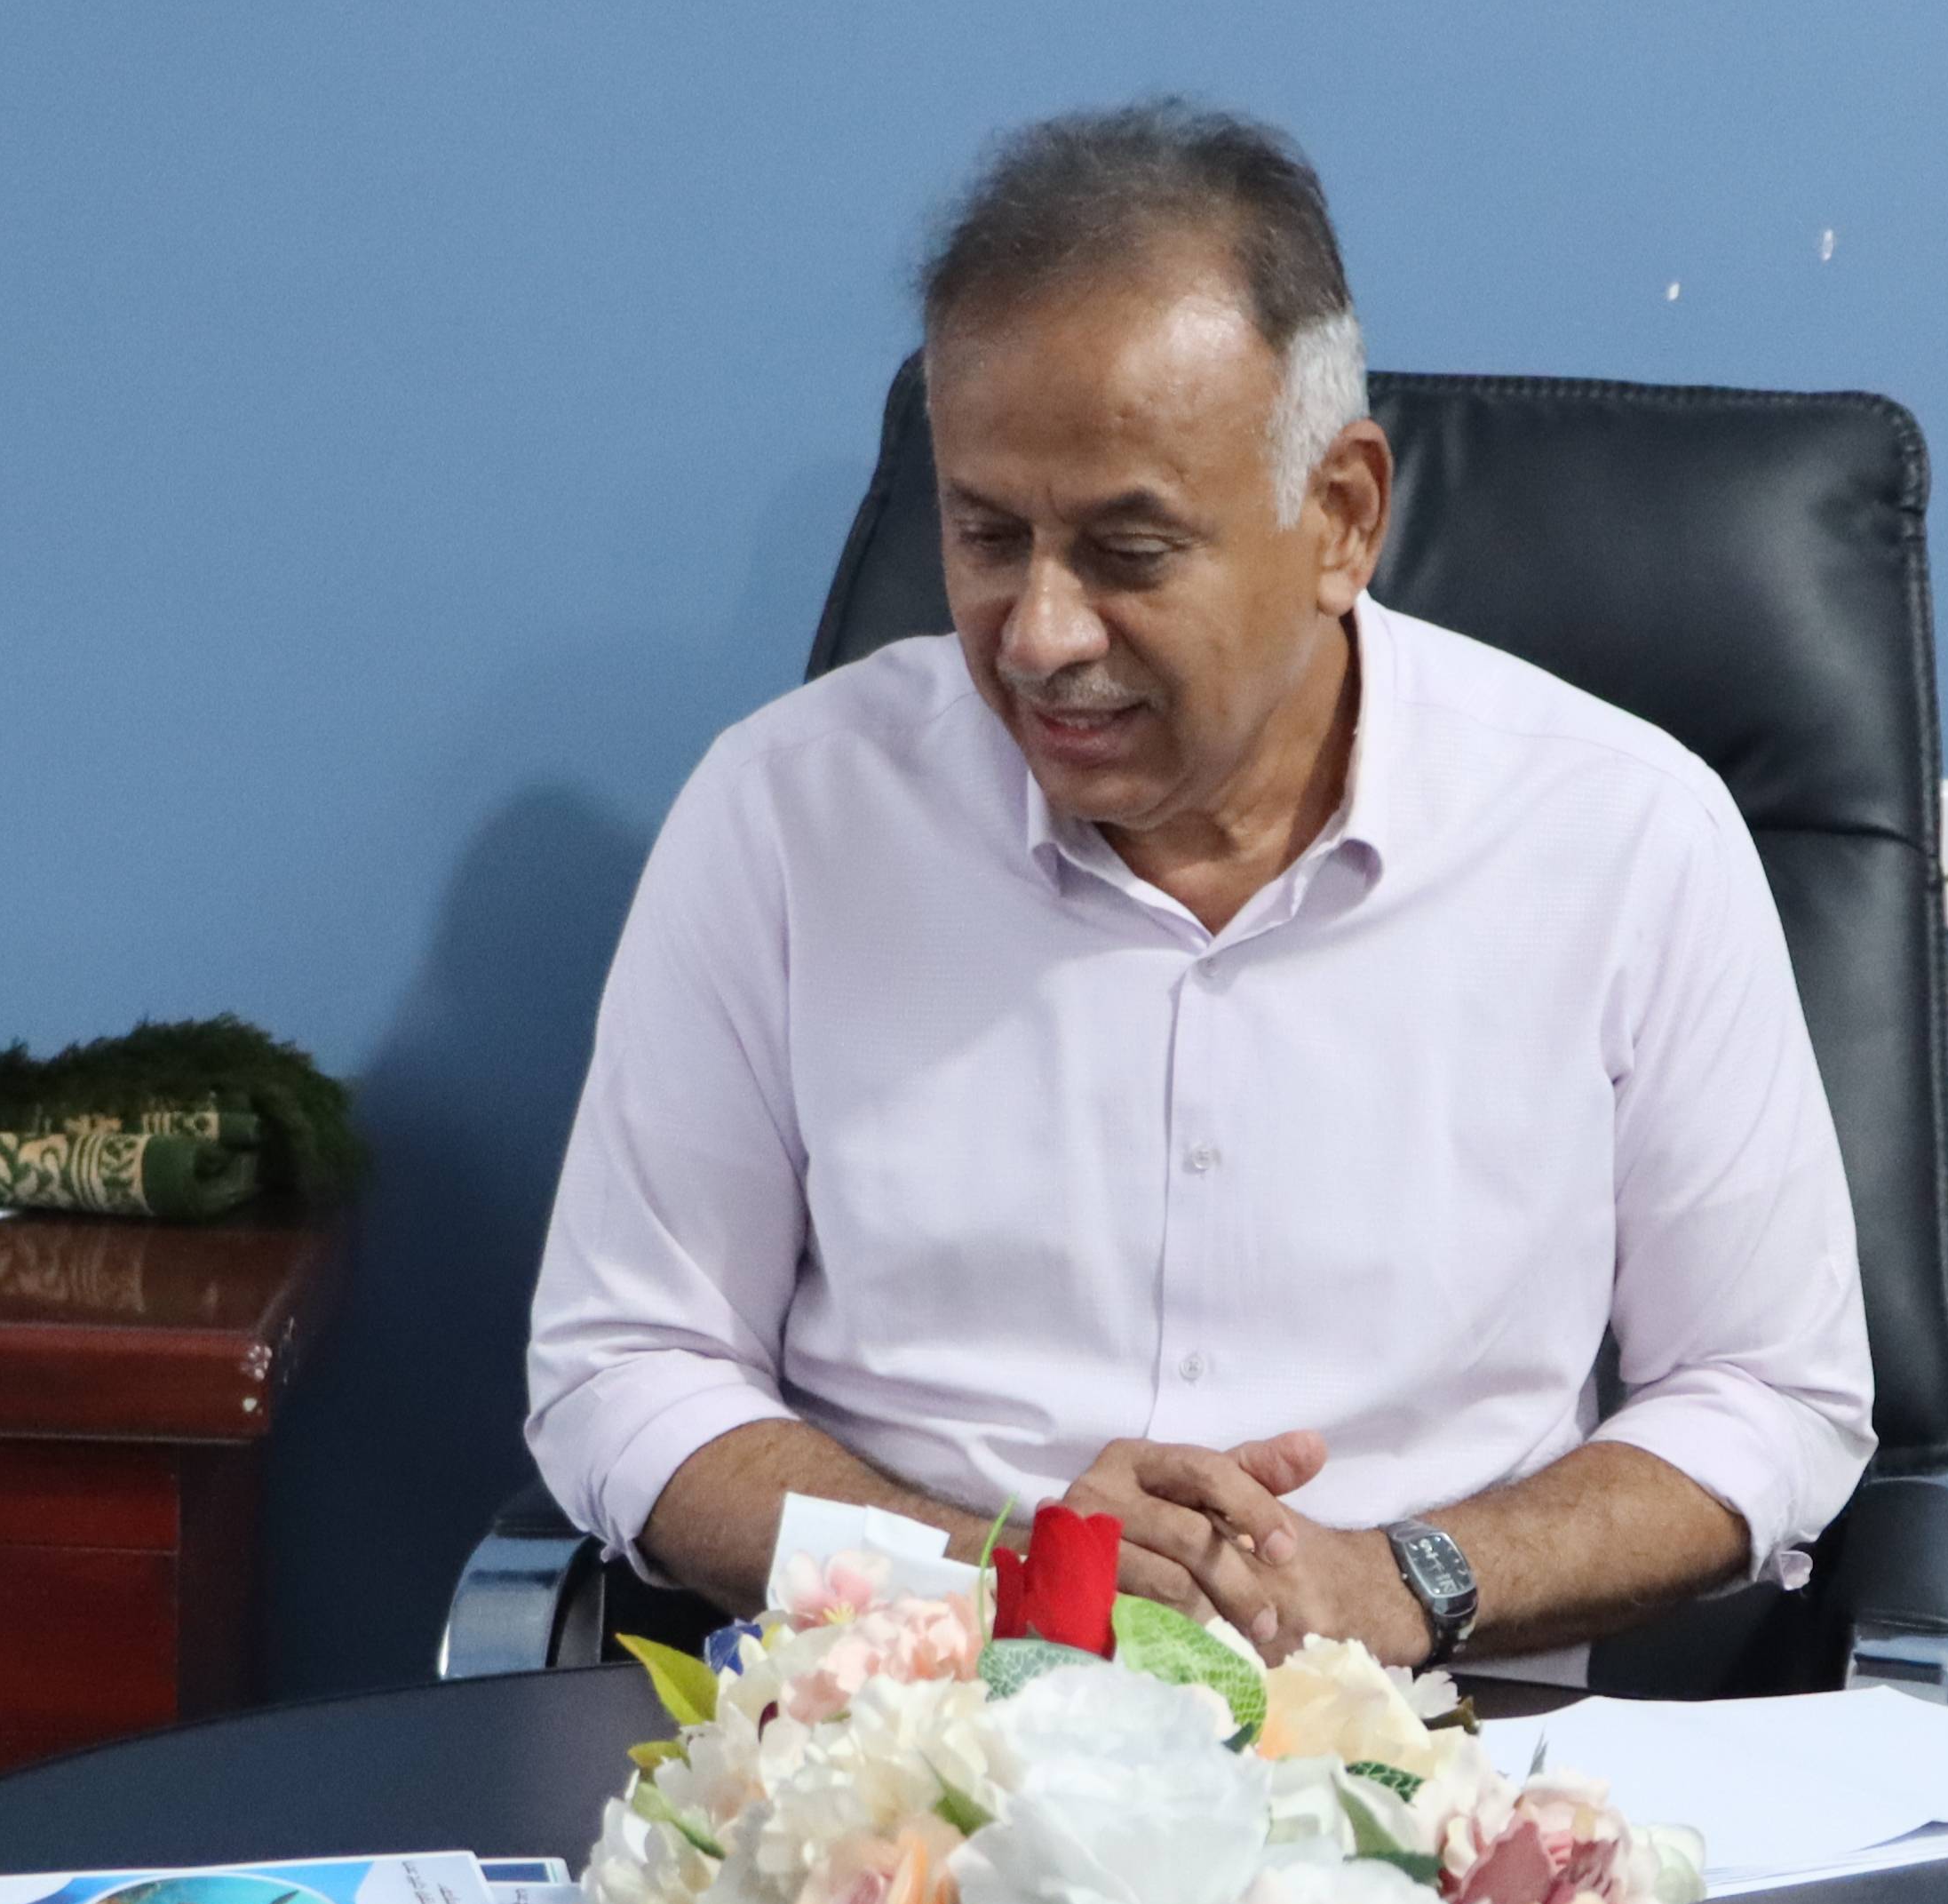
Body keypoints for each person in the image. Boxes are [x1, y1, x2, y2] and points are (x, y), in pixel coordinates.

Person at [520, 100, 1871, 1674]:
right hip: (906, 1719)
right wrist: (997, 1576)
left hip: (1432, 1738)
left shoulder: (1623, 834)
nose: (1040, 634)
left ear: (1341, 517)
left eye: (1129, 552)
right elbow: (628, 1365)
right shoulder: (788, 813)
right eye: (986, 535)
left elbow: (1770, 1393)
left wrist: (1402, 1583)